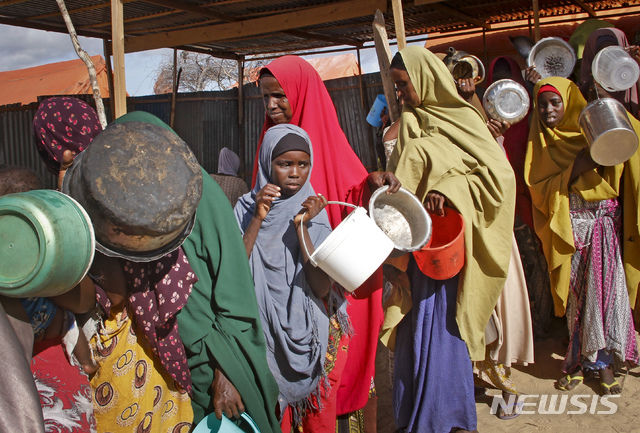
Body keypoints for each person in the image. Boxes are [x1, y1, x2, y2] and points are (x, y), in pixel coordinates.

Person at [256, 55, 400, 432]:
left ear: (301, 93)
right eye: (265, 98)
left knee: (334, 382)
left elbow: (351, 190)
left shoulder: (328, 146)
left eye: (279, 97)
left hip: (335, 286)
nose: (271, 106)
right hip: (285, 289)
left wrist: (372, 183)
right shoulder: (269, 145)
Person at [112, 112, 281, 433]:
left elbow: (236, 297)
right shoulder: (135, 209)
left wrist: (226, 373)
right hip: (169, 366)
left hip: (218, 364)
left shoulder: (203, 199)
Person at [383, 46, 516, 433]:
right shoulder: (407, 124)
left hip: (452, 253)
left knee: (444, 330)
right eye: (396, 87)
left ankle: (447, 418)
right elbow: (400, 186)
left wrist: (452, 187)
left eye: (404, 85)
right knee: (415, 334)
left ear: (424, 79)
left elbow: (500, 178)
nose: (400, 95)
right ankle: (418, 419)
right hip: (415, 251)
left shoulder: (466, 121)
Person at [525, 77, 640, 395]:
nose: (548, 110)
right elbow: (537, 189)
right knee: (578, 299)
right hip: (570, 231)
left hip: (603, 226)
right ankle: (578, 361)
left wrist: (605, 99)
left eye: (555, 102)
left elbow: (629, 140)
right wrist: (575, 167)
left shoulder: (594, 127)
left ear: (570, 101)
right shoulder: (542, 144)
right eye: (542, 104)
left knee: (604, 296)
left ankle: (602, 363)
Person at [235, 124, 337, 431]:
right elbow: (235, 271)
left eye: (302, 164)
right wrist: (258, 218)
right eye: (284, 164)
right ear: (267, 163)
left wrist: (303, 227)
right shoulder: (245, 207)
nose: (295, 173)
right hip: (260, 327)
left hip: (306, 328)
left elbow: (321, 287)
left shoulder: (316, 209)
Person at [484, 57, 553, 338]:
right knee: (514, 269)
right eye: (497, 78)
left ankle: (541, 323)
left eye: (508, 77)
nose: (503, 83)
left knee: (536, 262)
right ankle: (519, 328)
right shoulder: (484, 120)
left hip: (529, 200)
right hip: (503, 206)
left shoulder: (530, 114)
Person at [579, 27, 640, 119]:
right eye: (602, 54)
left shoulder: (633, 76)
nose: (610, 60)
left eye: (615, 52)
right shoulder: (582, 91)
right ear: (592, 57)